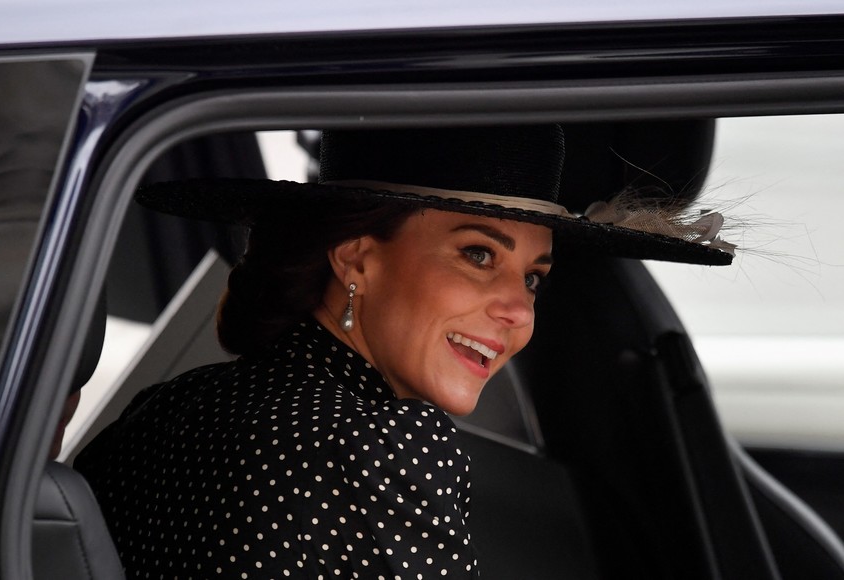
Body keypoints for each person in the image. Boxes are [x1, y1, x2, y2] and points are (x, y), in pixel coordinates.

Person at [75, 125, 734, 579]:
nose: (518, 311)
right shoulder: (382, 442)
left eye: (533, 277)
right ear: (357, 259)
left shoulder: (162, 411)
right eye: (478, 255)